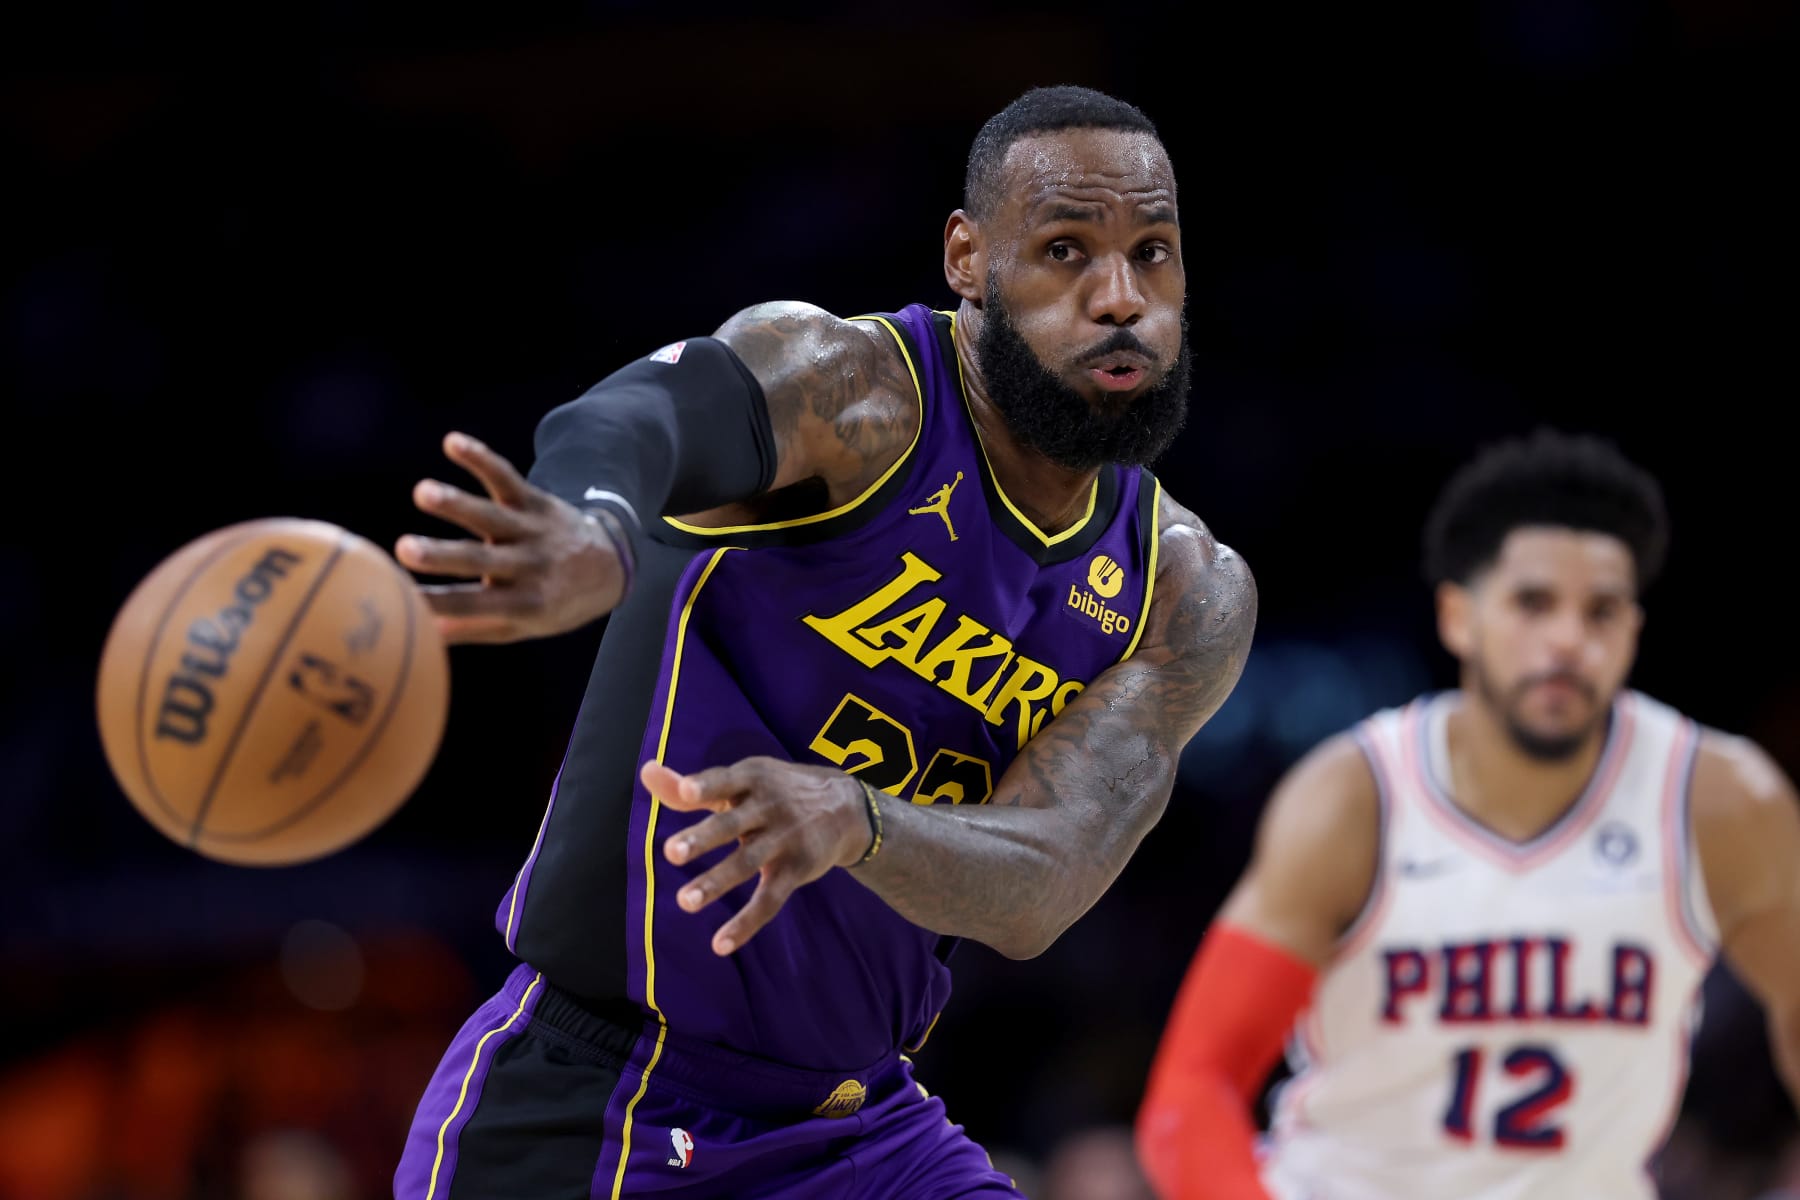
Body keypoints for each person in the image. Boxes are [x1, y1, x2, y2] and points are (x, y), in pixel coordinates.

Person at [389, 84, 1258, 1200]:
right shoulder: (855, 396)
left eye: (1154, 253)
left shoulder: (1181, 589)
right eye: (1064, 251)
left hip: (862, 1133)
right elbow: (635, 422)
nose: (1120, 299)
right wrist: (595, 533)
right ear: (967, 258)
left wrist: (856, 823)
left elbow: (1047, 879)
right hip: (600, 1097)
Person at [1134, 427, 1800, 1199]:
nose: (1567, 641)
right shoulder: (1357, 797)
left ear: (1634, 632)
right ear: (1457, 616)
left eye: (1601, 612)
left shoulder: (1717, 802)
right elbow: (1194, 1089)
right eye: (1533, 603)